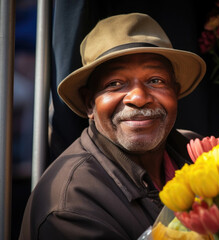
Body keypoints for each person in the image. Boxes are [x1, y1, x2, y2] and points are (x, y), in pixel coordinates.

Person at [19, 13, 206, 239]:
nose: (138, 97)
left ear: (175, 92)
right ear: (90, 104)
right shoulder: (70, 205)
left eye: (156, 80)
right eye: (115, 84)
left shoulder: (198, 152)